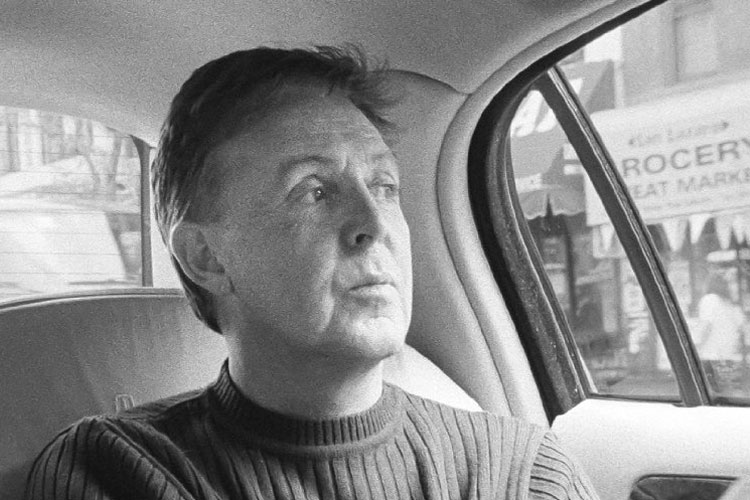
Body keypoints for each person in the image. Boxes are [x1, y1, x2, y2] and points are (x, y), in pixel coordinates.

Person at [25, 46, 599, 500]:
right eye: (314, 191)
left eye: (384, 186)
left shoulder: (523, 470)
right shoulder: (116, 467)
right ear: (207, 257)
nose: (374, 224)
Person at [696, 273, 748, 392]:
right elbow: (742, 327)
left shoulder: (709, 300)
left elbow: (706, 326)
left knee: (708, 390)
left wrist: (697, 345)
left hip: (711, 354)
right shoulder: (731, 304)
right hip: (729, 355)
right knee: (726, 390)